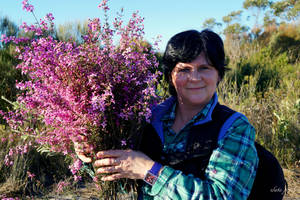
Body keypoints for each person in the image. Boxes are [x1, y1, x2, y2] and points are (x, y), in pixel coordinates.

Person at [75, 29, 259, 199]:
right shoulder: (147, 117)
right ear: (170, 76)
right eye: (184, 70)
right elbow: (125, 183)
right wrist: (93, 155)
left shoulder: (234, 127)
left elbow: (222, 196)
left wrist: (148, 170)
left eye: (205, 68)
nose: (194, 77)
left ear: (219, 75)